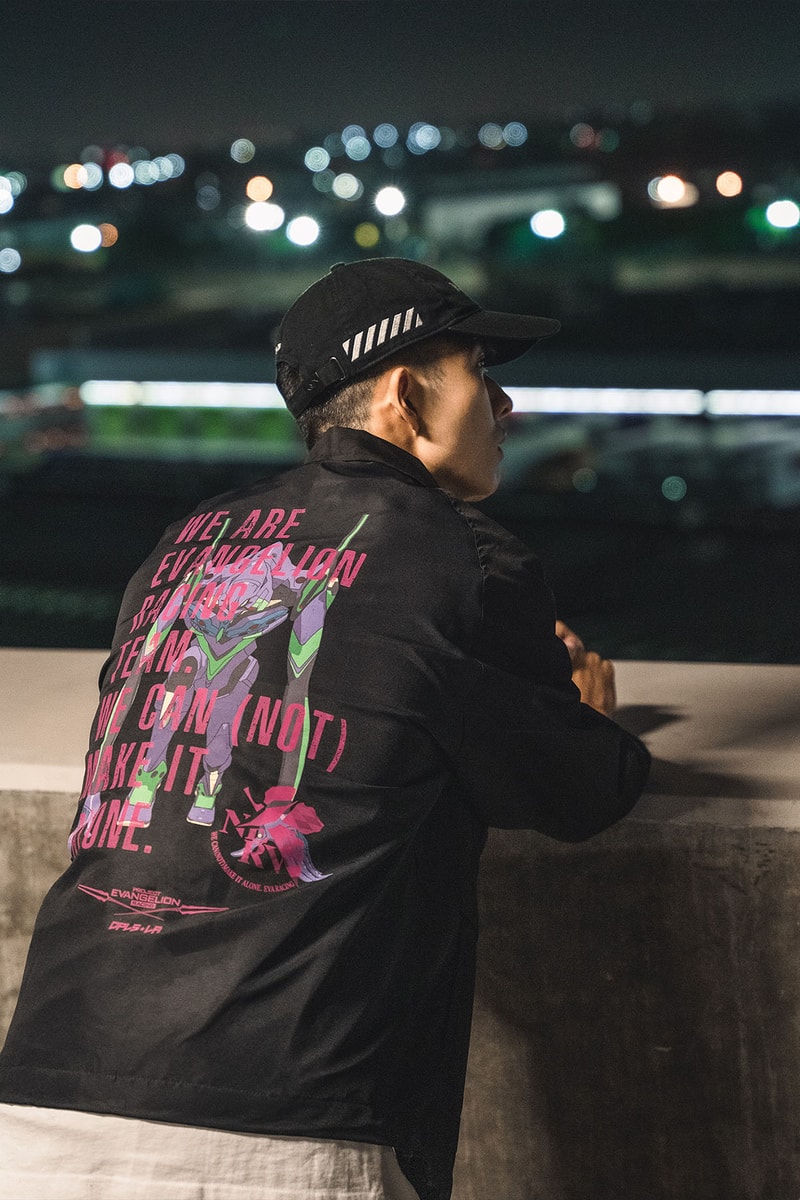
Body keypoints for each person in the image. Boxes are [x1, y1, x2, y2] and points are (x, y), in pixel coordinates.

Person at [0, 257, 650, 1200]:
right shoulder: (465, 559)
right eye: (481, 373)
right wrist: (582, 712)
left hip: (43, 1100)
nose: (505, 406)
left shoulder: (181, 545)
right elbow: (580, 789)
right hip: (278, 1132)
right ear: (408, 397)